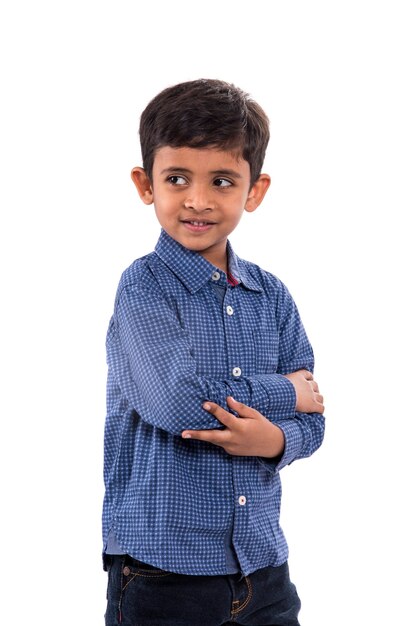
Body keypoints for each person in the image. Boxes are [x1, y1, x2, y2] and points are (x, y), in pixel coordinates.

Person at [103, 78, 325, 626]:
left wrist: (273, 440)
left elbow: (315, 413)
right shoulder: (143, 287)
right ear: (145, 183)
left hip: (263, 566)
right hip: (164, 573)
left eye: (222, 181)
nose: (198, 200)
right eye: (177, 178)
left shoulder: (270, 295)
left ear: (254, 190)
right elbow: (179, 405)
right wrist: (284, 394)